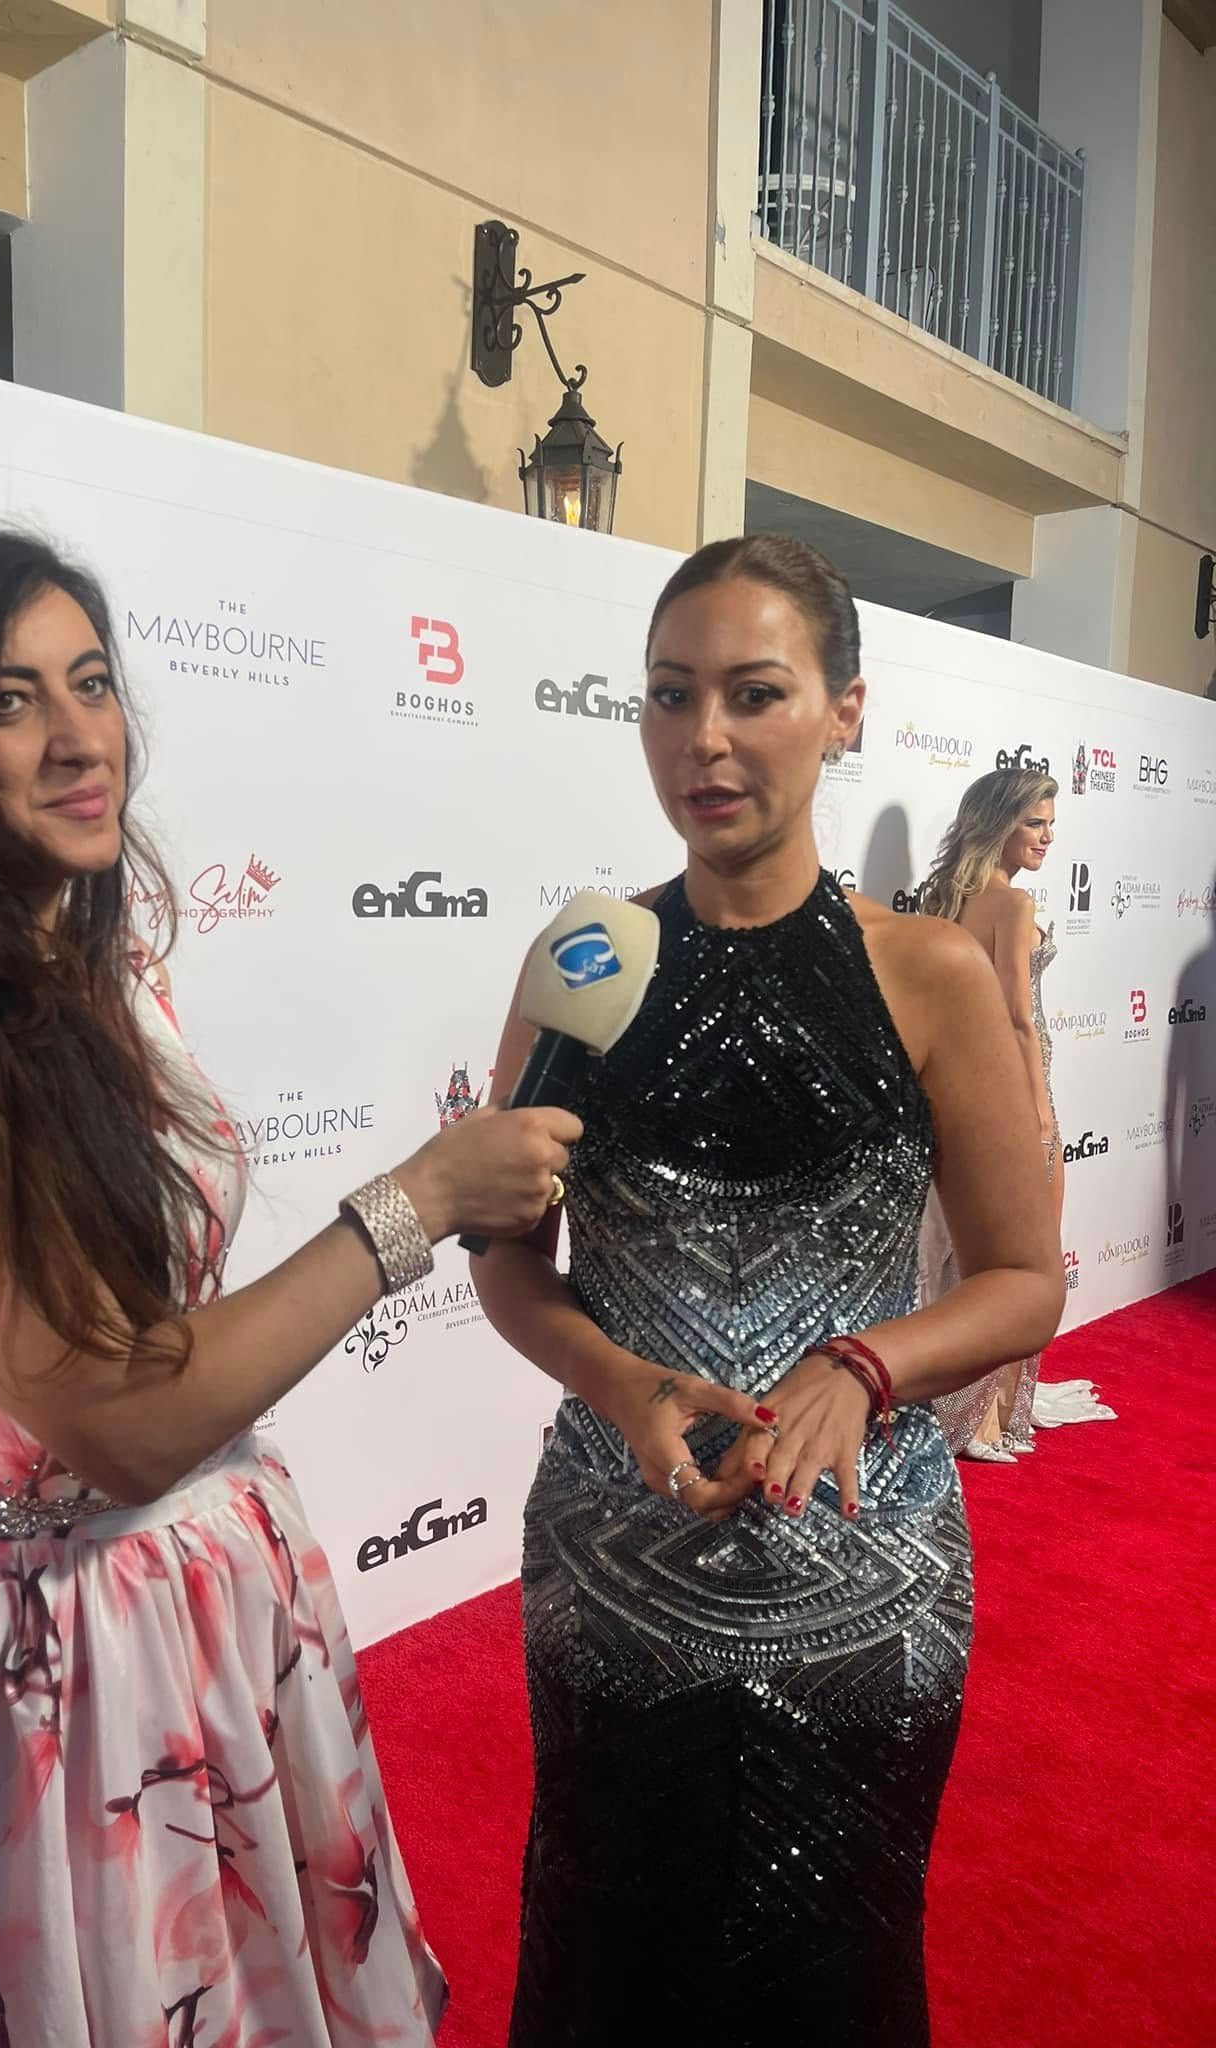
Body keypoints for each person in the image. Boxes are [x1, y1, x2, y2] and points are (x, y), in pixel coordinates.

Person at [0, 525, 577, 2045]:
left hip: (199, 1607)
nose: (81, 733)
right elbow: (113, 1416)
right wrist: (416, 1203)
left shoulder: (102, 966)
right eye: (12, 696)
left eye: (90, 682)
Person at [474, 535, 1064, 2046]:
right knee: (607, 1959)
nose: (706, 740)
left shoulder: (929, 971)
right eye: (671, 698)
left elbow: (1021, 1282)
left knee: (833, 1979)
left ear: (846, 709)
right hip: (621, 1561)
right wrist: (625, 1385)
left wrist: (862, 1369)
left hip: (864, 1573)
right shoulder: (584, 960)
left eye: (755, 693)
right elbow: (507, 1269)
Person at [919, 769, 1110, 1454]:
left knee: (973, 1260)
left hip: (963, 1084)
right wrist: (1040, 1113)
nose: (1048, 837)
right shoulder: (1013, 904)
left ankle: (980, 1412)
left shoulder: (945, 899)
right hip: (1022, 1083)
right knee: (1027, 1263)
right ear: (998, 822)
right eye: (1035, 823)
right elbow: (1019, 1020)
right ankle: (989, 1416)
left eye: (1052, 823)